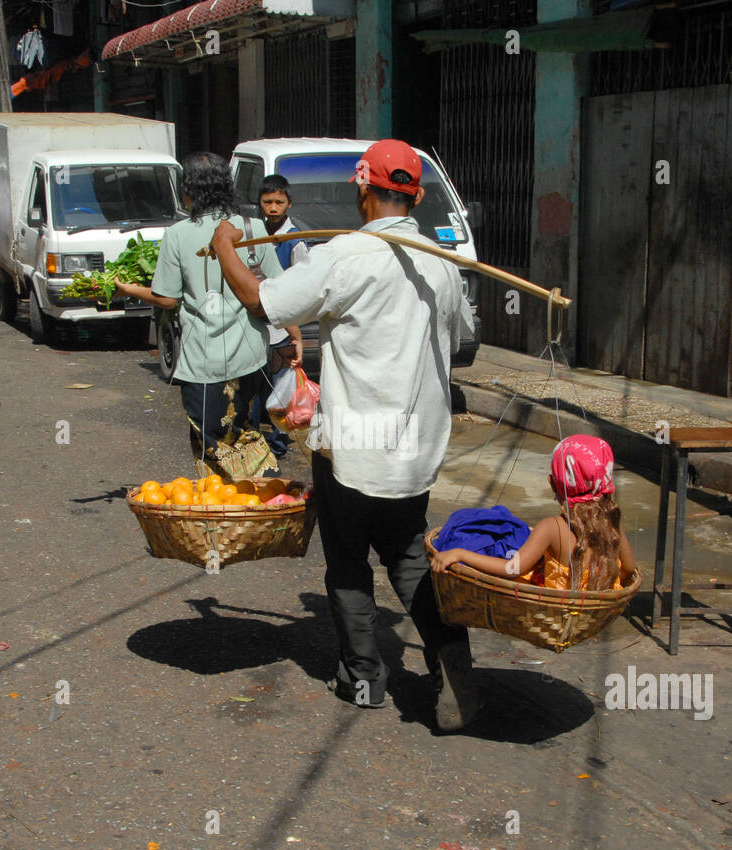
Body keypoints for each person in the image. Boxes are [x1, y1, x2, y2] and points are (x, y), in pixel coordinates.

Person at [210, 139, 479, 730]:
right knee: (409, 557)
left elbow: (263, 302)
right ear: (413, 195)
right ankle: (452, 665)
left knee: (349, 561)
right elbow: (461, 335)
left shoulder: (347, 255)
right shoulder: (443, 263)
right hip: (413, 446)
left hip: (354, 445)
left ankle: (363, 679)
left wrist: (226, 248)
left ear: (363, 190)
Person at [112, 152, 285, 464]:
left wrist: (127, 289)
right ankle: (254, 502)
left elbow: (166, 298)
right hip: (251, 360)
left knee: (213, 447)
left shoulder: (177, 235)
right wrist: (295, 337)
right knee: (244, 435)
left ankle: (226, 504)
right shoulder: (253, 227)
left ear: (187, 191)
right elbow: (278, 290)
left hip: (204, 364)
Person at [432, 435, 637, 591]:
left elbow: (511, 569)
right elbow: (628, 569)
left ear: (552, 482)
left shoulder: (551, 528)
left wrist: (459, 554)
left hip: (558, 610)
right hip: (597, 608)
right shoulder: (612, 522)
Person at [249, 174, 308, 458]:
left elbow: (301, 284)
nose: (273, 207)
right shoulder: (255, 235)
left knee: (280, 387)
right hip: (256, 323)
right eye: (267, 202)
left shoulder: (294, 241)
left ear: (288, 204)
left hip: (283, 327)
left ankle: (277, 443)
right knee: (256, 386)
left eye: (279, 202)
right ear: (260, 204)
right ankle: (254, 441)